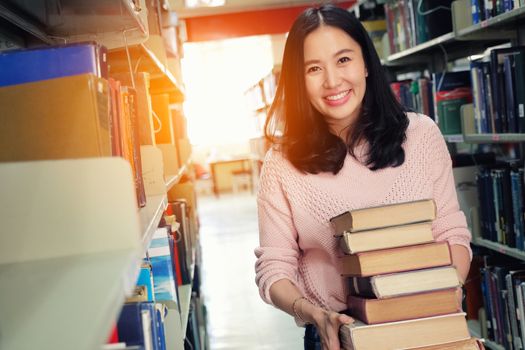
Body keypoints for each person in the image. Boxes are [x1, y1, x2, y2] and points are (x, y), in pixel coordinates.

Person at [254, 4, 472, 350]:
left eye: (343, 60)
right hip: (339, 333)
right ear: (299, 79)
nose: (332, 81)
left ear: (366, 63)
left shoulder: (422, 135)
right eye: (313, 68)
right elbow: (275, 268)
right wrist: (310, 312)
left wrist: (439, 297)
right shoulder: (281, 165)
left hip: (428, 322)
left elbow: (451, 231)